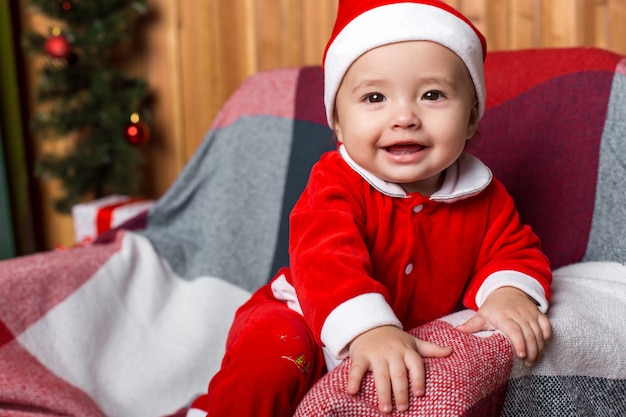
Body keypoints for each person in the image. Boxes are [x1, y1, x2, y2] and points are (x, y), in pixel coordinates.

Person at [188, 1, 552, 416]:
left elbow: (513, 250)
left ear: (470, 119)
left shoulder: (483, 195)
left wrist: (508, 292)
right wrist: (371, 327)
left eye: (432, 94)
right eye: (374, 97)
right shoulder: (336, 183)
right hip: (301, 317)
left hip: (393, 337)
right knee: (272, 359)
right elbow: (324, 259)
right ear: (339, 124)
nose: (404, 116)